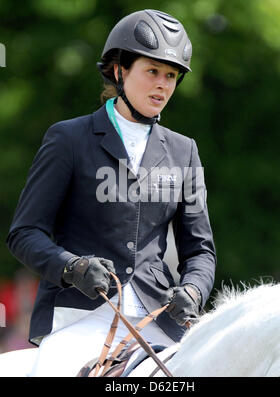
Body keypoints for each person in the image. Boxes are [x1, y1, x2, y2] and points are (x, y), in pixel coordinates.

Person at [6, 9, 216, 376]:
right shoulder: (68, 139)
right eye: (152, 72)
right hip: (79, 316)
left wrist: (194, 291)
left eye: (170, 76)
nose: (163, 85)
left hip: (158, 322)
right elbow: (25, 234)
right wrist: (72, 267)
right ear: (119, 71)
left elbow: (200, 251)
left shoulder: (185, 152)